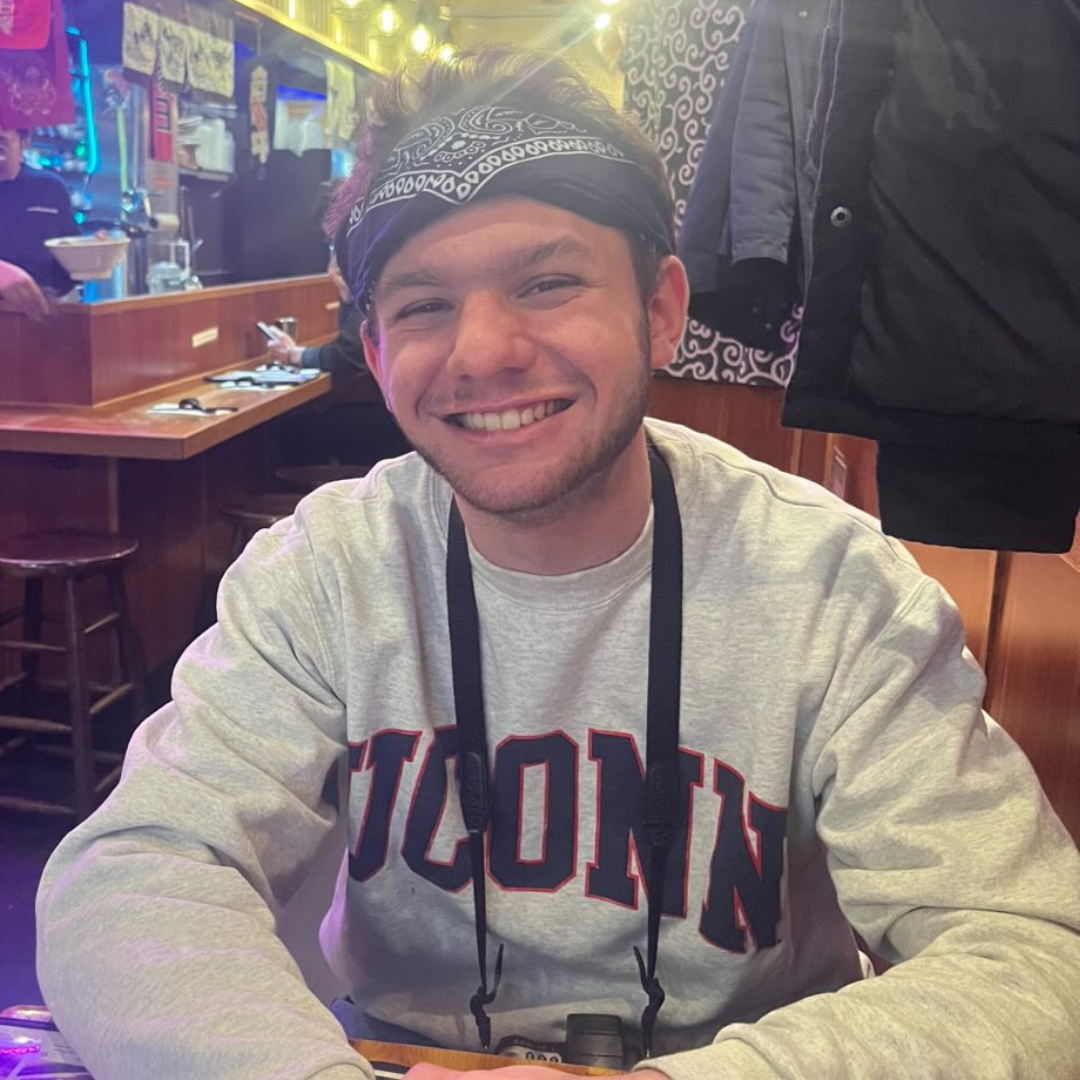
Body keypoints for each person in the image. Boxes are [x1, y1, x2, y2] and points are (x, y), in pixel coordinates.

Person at [35, 46, 1080, 1080]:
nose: (484, 351)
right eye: (423, 304)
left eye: (547, 282)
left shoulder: (831, 586)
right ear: (376, 349)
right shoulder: (322, 573)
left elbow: (1036, 953)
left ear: (662, 308)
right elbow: (136, 874)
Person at [267, 250, 412, 466]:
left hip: (393, 421)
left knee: (291, 433)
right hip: (397, 413)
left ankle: (307, 497)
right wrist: (347, 296)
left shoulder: (377, 286)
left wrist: (294, 354)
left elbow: (345, 356)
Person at [0, 126, 78, 312]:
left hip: (36, 316)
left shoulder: (50, 189)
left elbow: (70, 256)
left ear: (25, 140)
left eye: (3, 143)